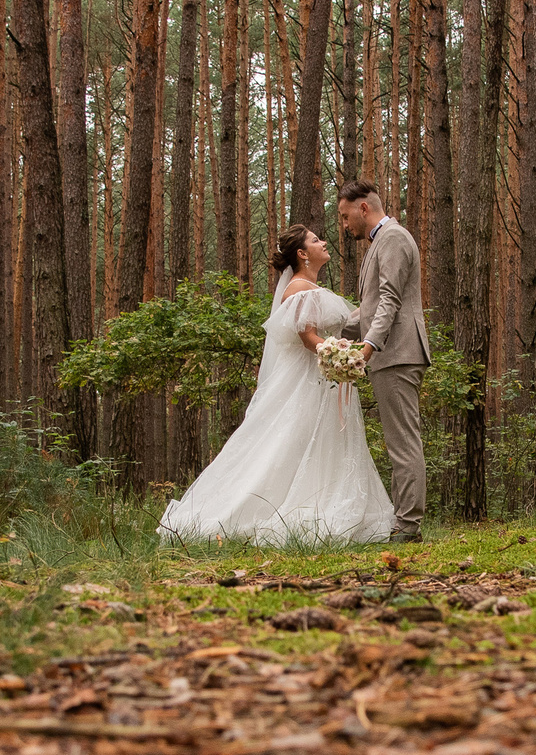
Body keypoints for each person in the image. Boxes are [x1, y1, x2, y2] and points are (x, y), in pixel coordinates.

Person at [156, 225, 397, 546]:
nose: (323, 243)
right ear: (301, 253)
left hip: (323, 382)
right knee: (292, 445)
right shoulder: (300, 290)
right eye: (315, 240)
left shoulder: (310, 288)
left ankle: (320, 501)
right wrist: (344, 354)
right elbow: (309, 338)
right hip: (310, 383)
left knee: (317, 445)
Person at [337, 182, 429, 543]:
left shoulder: (392, 238)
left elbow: (390, 299)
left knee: (403, 441)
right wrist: (338, 331)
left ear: (363, 209)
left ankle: (407, 528)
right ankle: (402, 521)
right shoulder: (382, 241)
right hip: (392, 354)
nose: (345, 225)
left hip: (398, 353)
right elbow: (374, 304)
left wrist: (368, 347)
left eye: (345, 217)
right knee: (398, 441)